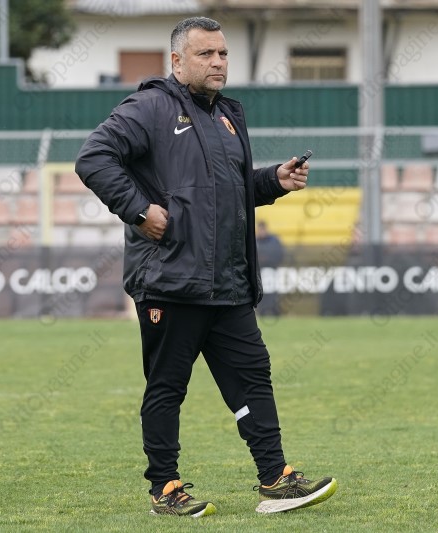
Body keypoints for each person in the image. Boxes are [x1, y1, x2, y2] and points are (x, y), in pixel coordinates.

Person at [75, 16, 337, 517]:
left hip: (227, 280)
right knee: (168, 388)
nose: (218, 62)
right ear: (177, 61)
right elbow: (93, 157)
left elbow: (225, 191)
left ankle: (276, 479)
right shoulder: (149, 107)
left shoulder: (228, 115)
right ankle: (165, 489)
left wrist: (272, 180)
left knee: (253, 377)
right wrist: (139, 209)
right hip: (170, 279)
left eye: (223, 53)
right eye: (206, 54)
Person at [255, 220, 285, 316]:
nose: (261, 232)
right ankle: (262, 311)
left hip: (272, 271)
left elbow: (279, 254)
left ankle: (273, 311)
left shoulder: (273, 240)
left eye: (263, 229)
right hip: (259, 272)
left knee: (272, 292)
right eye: (260, 229)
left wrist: (266, 260)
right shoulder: (256, 241)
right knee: (262, 292)